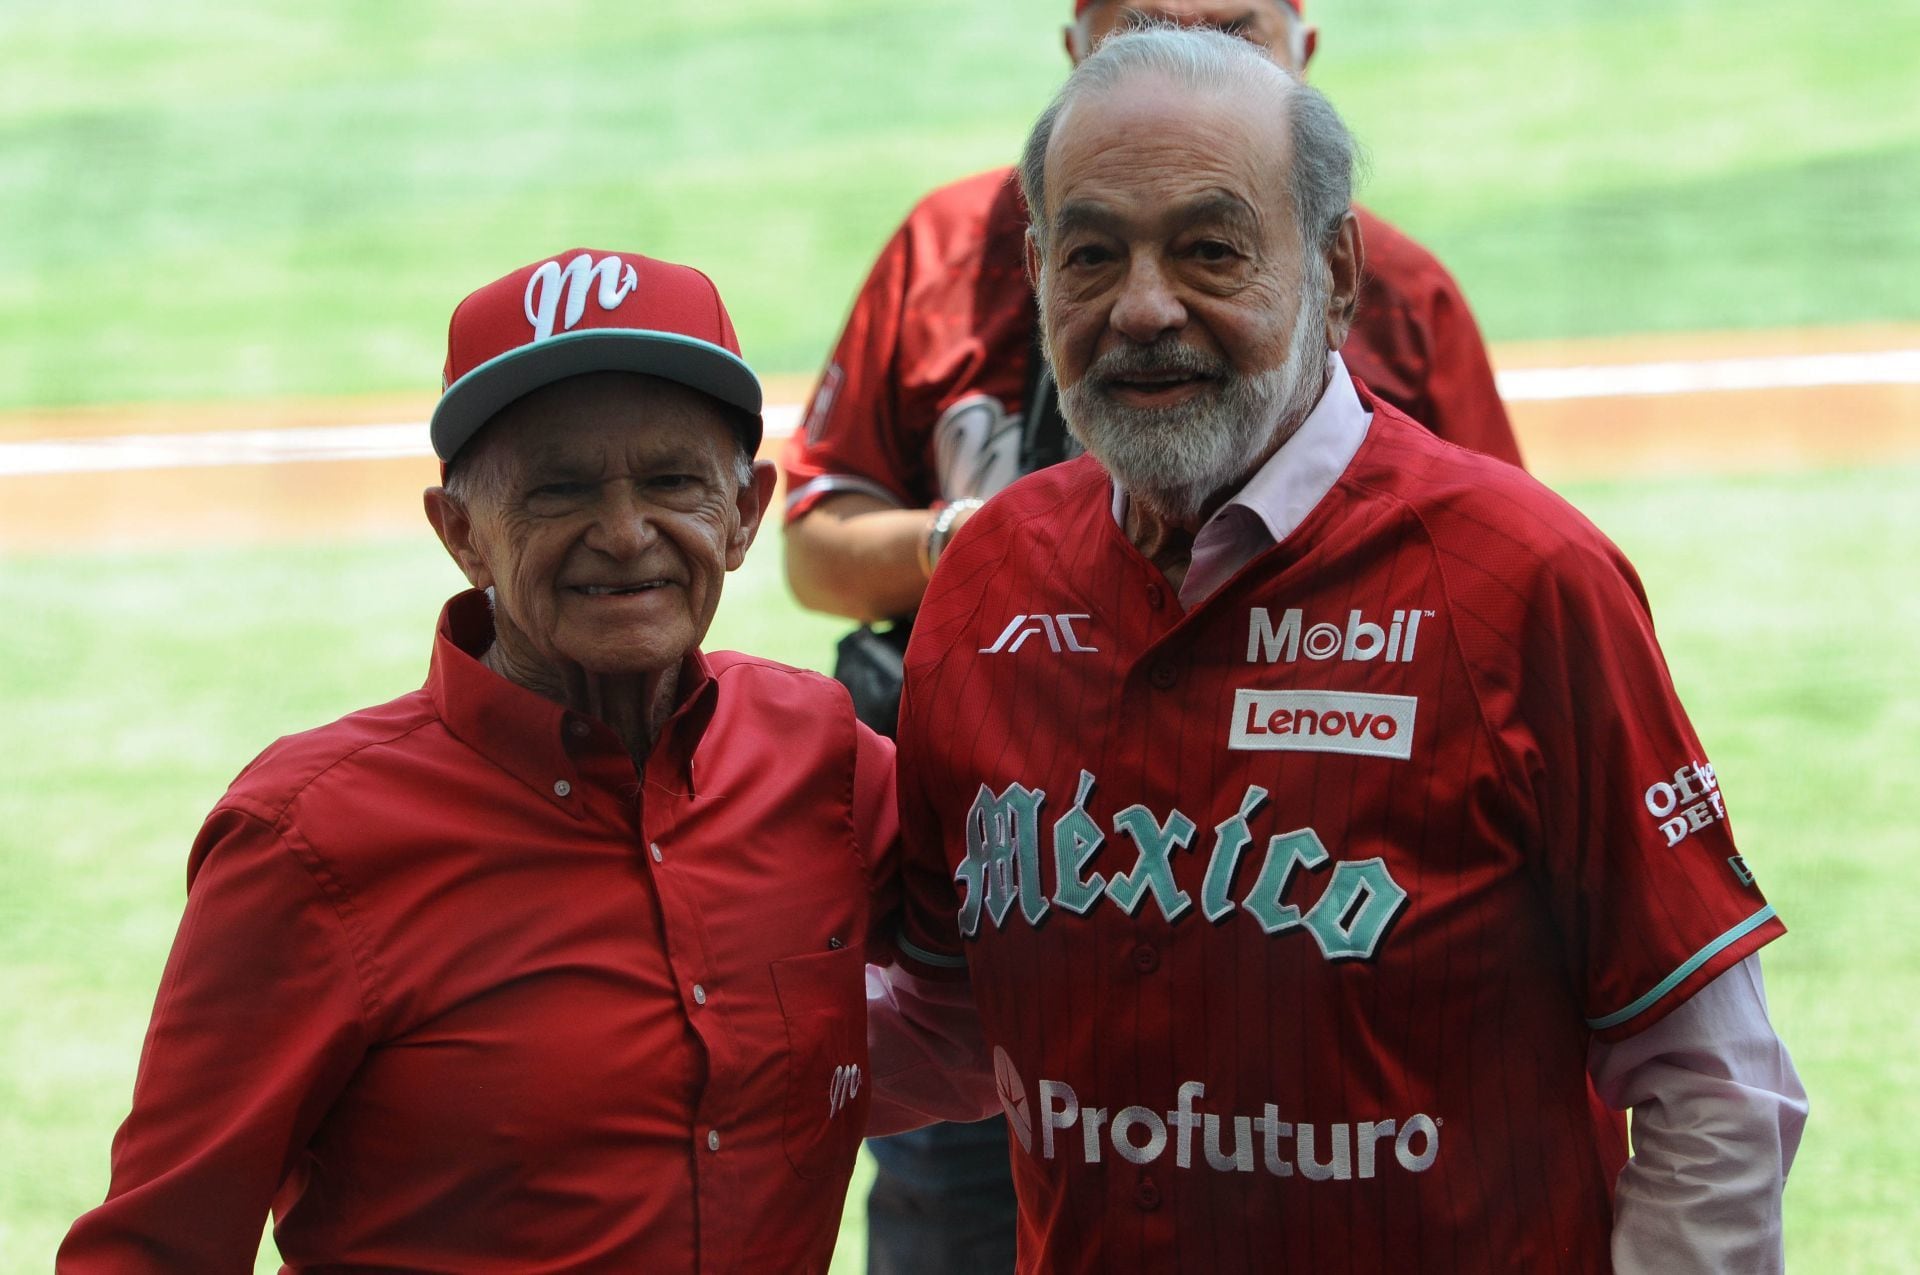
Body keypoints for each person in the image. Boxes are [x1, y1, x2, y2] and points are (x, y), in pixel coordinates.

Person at [886, 28, 1807, 1274]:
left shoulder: (1517, 579)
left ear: (1335, 270)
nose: (1144, 307)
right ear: (1041, 273)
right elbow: (951, 1022)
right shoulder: (983, 582)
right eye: (1093, 256)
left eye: (1211, 249)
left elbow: (1716, 1088)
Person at [783, 5, 1522, 1271]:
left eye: (1230, 24)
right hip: (1006, 908)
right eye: (1147, 20)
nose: (1142, 305)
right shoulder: (950, 249)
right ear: (1077, 43)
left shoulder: (1402, 297)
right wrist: (982, 551)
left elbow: (1490, 607)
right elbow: (808, 544)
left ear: (1302, 47)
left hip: (1311, 962)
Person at [59, 249, 901, 1273]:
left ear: (746, 514)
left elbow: (1044, 947)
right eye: (558, 490)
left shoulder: (819, 755)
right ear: (462, 534)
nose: (627, 532)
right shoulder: (305, 842)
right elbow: (155, 1250)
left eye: (673, 480)